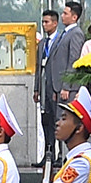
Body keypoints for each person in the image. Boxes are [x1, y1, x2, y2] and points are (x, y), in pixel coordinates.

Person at [35, 9, 62, 160]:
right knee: (45, 122)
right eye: (43, 22)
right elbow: (38, 67)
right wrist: (36, 88)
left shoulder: (60, 41)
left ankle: (59, 154)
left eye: (47, 22)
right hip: (44, 88)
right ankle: (47, 154)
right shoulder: (42, 43)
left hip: (56, 88)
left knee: (57, 122)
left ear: (55, 23)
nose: (44, 25)